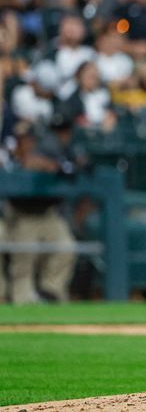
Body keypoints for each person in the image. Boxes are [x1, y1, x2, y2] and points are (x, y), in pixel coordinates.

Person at [6, 116, 80, 304]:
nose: (28, 143)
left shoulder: (51, 154)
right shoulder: (9, 158)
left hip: (47, 213)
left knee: (66, 247)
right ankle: (21, 300)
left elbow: (73, 171)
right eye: (24, 140)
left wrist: (52, 166)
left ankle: (52, 292)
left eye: (31, 139)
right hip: (22, 215)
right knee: (24, 256)